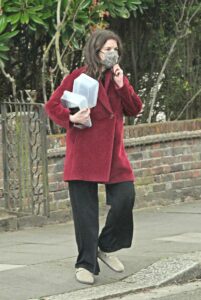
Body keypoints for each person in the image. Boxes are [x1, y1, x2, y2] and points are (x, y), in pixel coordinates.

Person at [45, 29, 142, 285]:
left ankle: (105, 246)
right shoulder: (78, 76)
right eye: (107, 49)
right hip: (84, 152)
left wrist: (123, 86)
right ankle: (85, 264)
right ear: (95, 51)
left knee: (125, 198)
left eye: (115, 49)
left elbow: (135, 108)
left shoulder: (120, 77)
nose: (112, 54)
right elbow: (52, 105)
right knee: (85, 213)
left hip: (113, 153)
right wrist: (71, 118)